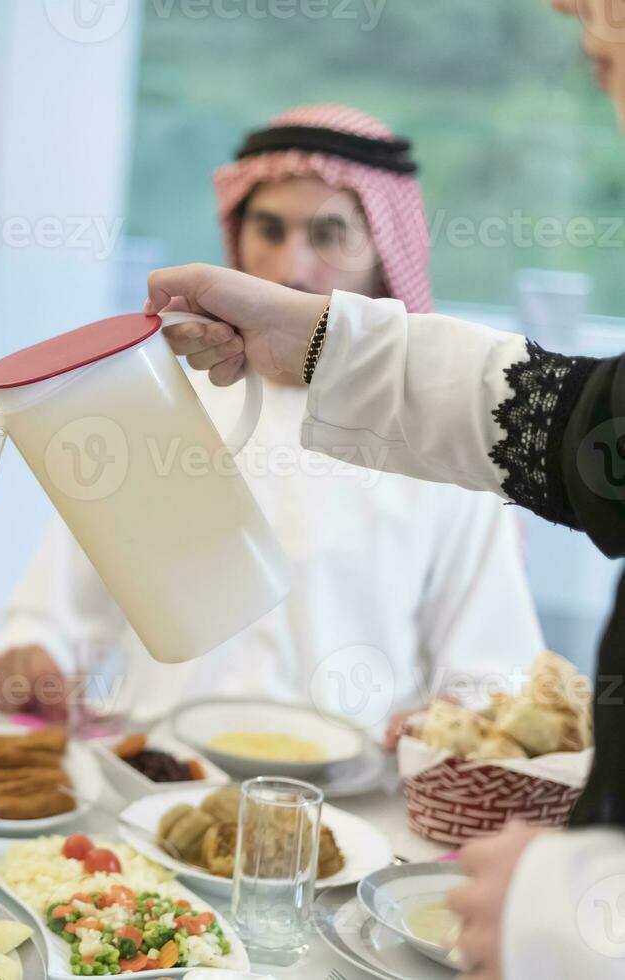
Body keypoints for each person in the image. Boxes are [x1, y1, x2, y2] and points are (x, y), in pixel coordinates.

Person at [147, 6, 625, 975]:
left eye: (610, 53)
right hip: (165, 816)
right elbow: (576, 416)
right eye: (594, 56)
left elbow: (498, 690)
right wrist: (322, 345)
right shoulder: (168, 406)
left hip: (358, 851)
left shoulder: (456, 481)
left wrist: (581, 906)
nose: (604, 89)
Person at [0, 105, 542, 742]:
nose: (290, 270)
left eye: (329, 235)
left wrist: (456, 722)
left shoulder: (441, 434)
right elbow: (53, 622)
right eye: (268, 230)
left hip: (348, 816)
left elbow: (495, 684)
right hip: (152, 789)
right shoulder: (158, 403)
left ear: (387, 253)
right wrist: (33, 660)